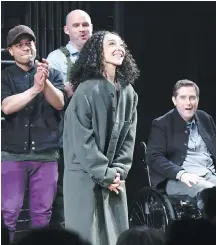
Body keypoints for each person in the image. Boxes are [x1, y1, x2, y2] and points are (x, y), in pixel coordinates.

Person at [63, 30, 140, 245]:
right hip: (84, 175)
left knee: (115, 234)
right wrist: (105, 173)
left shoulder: (129, 92)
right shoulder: (86, 91)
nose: (119, 48)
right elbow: (82, 141)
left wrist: (118, 172)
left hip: (114, 178)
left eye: (121, 44)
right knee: (87, 235)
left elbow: (129, 138)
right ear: (98, 51)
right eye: (112, 44)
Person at [1, 25, 67, 242]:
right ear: (10, 51)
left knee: (42, 215)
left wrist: (44, 80)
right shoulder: (5, 77)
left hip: (46, 156)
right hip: (12, 156)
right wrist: (34, 90)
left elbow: (59, 103)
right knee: (8, 213)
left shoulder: (52, 73)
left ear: (35, 45)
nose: (25, 48)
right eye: (19, 45)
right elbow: (7, 106)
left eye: (28, 43)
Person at [46, 9, 93, 226]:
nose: (82, 29)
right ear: (66, 30)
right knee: (66, 187)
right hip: (68, 132)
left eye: (86, 24)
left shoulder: (101, 55)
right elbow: (53, 98)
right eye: (76, 25)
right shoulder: (57, 58)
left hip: (96, 131)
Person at [146, 79, 216, 201]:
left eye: (192, 98)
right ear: (174, 100)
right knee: (211, 194)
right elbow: (154, 157)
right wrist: (181, 174)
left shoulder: (205, 118)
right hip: (179, 179)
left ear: (198, 100)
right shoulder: (162, 123)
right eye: (183, 98)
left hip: (210, 174)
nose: (188, 103)